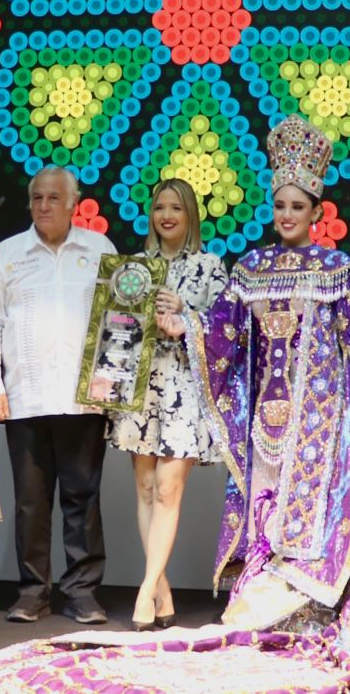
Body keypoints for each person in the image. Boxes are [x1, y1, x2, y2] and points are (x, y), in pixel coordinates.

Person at [158, 114, 350, 631]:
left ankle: (309, 593)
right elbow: (223, 330)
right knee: (265, 498)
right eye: (280, 205)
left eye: (297, 207)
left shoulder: (336, 269)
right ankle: (264, 582)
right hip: (265, 412)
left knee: (310, 501)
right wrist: (186, 325)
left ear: (316, 211)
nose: (287, 215)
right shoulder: (251, 268)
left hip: (319, 417)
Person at [0, 166, 116, 624]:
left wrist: (111, 385)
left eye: (53, 198)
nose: (43, 205)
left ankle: (82, 593)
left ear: (74, 204)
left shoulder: (99, 250)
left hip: (83, 401)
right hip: (26, 399)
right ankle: (33, 592)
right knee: (30, 503)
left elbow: (118, 323)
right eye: (37, 197)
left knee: (83, 500)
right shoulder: (9, 253)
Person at [107, 178, 227, 630]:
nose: (167, 215)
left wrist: (186, 312)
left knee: (167, 489)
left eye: (176, 207)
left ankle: (144, 592)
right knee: (144, 488)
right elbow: (114, 329)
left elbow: (227, 332)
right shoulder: (134, 267)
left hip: (186, 389)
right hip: (141, 387)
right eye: (160, 207)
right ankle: (162, 589)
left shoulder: (211, 267)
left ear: (190, 214)